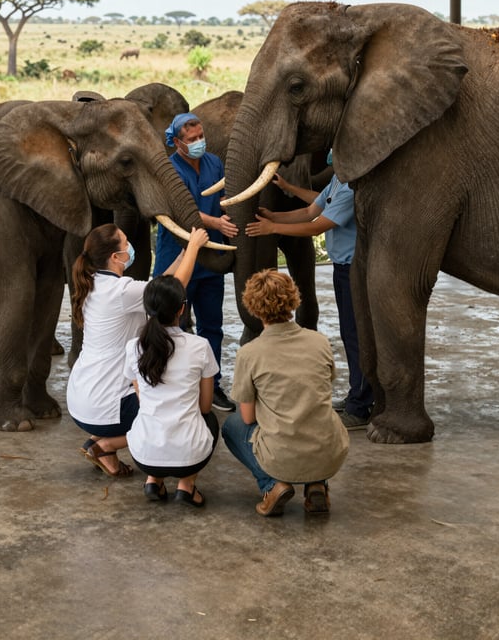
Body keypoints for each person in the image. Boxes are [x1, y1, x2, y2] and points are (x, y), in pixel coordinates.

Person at [67, 222, 209, 477]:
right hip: (105, 407)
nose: (130, 246)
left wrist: (181, 255)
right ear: (116, 257)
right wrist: (195, 249)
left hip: (80, 401)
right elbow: (171, 291)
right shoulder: (121, 291)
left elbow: (157, 286)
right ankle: (104, 445)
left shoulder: (95, 283)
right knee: (171, 405)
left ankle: (101, 447)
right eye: (125, 243)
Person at [244, 158, 374, 430]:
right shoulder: (339, 179)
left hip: (354, 268)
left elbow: (316, 225)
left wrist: (274, 228)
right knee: (349, 332)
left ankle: (361, 406)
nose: (330, 156)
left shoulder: (352, 185)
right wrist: (276, 213)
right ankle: (357, 395)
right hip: (342, 266)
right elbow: (312, 208)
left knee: (356, 334)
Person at [222, 270, 349, 516]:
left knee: (232, 426)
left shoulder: (249, 353)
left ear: (253, 307)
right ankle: (317, 484)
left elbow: (248, 418)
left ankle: (272, 485)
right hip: (329, 450)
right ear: (293, 300)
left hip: (281, 456)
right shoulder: (319, 341)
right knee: (314, 410)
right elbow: (323, 386)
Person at [153, 112, 238, 412]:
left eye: (201, 136)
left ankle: (211, 387)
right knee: (173, 324)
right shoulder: (169, 170)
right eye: (192, 140)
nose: (199, 142)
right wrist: (217, 223)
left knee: (212, 325)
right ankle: (171, 385)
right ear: (177, 143)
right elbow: (181, 209)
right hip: (177, 255)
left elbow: (224, 196)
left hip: (211, 257)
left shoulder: (214, 162)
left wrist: (227, 215)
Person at [123, 275, 220, 507]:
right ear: (182, 309)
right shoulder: (200, 346)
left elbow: (140, 395)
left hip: (143, 454)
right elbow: (205, 406)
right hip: (189, 457)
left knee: (147, 411)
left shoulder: (134, 347)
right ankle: (186, 485)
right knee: (211, 420)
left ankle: (153, 480)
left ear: (146, 309)